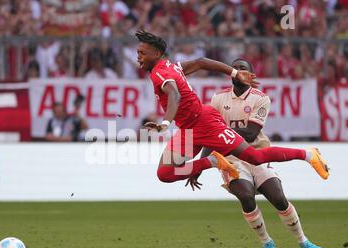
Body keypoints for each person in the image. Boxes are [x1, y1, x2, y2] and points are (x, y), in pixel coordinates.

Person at [135, 29, 329, 186]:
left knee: (254, 157)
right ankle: (213, 161)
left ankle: (309, 155)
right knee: (165, 173)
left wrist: (165, 123)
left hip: (205, 122)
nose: (139, 57)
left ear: (157, 53)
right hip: (188, 129)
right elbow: (201, 62)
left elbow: (174, 95)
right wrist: (235, 72)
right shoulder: (170, 66)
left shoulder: (159, 73)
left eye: (143, 53)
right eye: (138, 53)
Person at [185, 58, 324, 248]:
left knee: (278, 198)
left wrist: (220, 130)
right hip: (230, 159)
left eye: (243, 68)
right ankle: (267, 243)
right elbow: (210, 137)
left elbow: (250, 133)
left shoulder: (261, 98)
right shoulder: (218, 99)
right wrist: (199, 165)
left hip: (258, 154)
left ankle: (304, 242)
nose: (238, 70)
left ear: (251, 76)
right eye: (235, 68)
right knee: (246, 196)